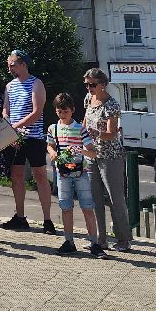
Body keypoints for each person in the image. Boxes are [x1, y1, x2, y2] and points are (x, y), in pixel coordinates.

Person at [1, 50, 55, 233]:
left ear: (23, 64)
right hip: (15, 139)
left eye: (13, 65)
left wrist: (15, 126)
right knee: (16, 176)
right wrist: (9, 127)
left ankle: (47, 219)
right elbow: (5, 110)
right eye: (8, 65)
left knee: (40, 176)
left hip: (34, 137)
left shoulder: (36, 83)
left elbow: (37, 112)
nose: (10, 69)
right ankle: (20, 216)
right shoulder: (10, 86)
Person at [47, 93, 104, 256]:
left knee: (87, 207)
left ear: (72, 110)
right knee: (66, 207)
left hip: (80, 173)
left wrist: (81, 150)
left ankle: (94, 243)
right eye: (59, 111)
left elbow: (92, 153)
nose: (62, 115)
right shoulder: (53, 128)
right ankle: (69, 241)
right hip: (62, 173)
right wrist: (52, 152)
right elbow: (50, 145)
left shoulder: (80, 129)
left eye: (65, 111)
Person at [83, 69, 131, 251]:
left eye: (92, 84)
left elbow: (112, 134)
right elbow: (85, 122)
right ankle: (99, 239)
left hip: (110, 155)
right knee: (94, 198)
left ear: (102, 84)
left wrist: (98, 133)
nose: (89, 88)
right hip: (92, 154)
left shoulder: (111, 104)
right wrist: (80, 135)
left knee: (114, 197)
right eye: (86, 84)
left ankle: (123, 239)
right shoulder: (88, 99)